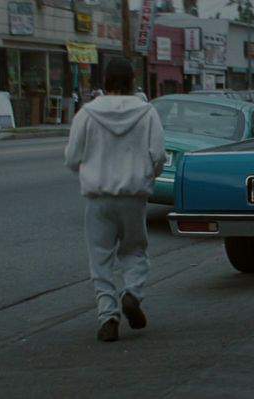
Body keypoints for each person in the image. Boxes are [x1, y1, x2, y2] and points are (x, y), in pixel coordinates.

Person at [64, 58, 166, 342]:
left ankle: (108, 316)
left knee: (100, 257)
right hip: (134, 195)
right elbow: (159, 155)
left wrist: (89, 170)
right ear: (132, 82)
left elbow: (72, 158)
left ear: (105, 82)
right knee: (135, 250)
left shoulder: (86, 114)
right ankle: (132, 293)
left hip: (99, 197)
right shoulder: (147, 112)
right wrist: (148, 175)